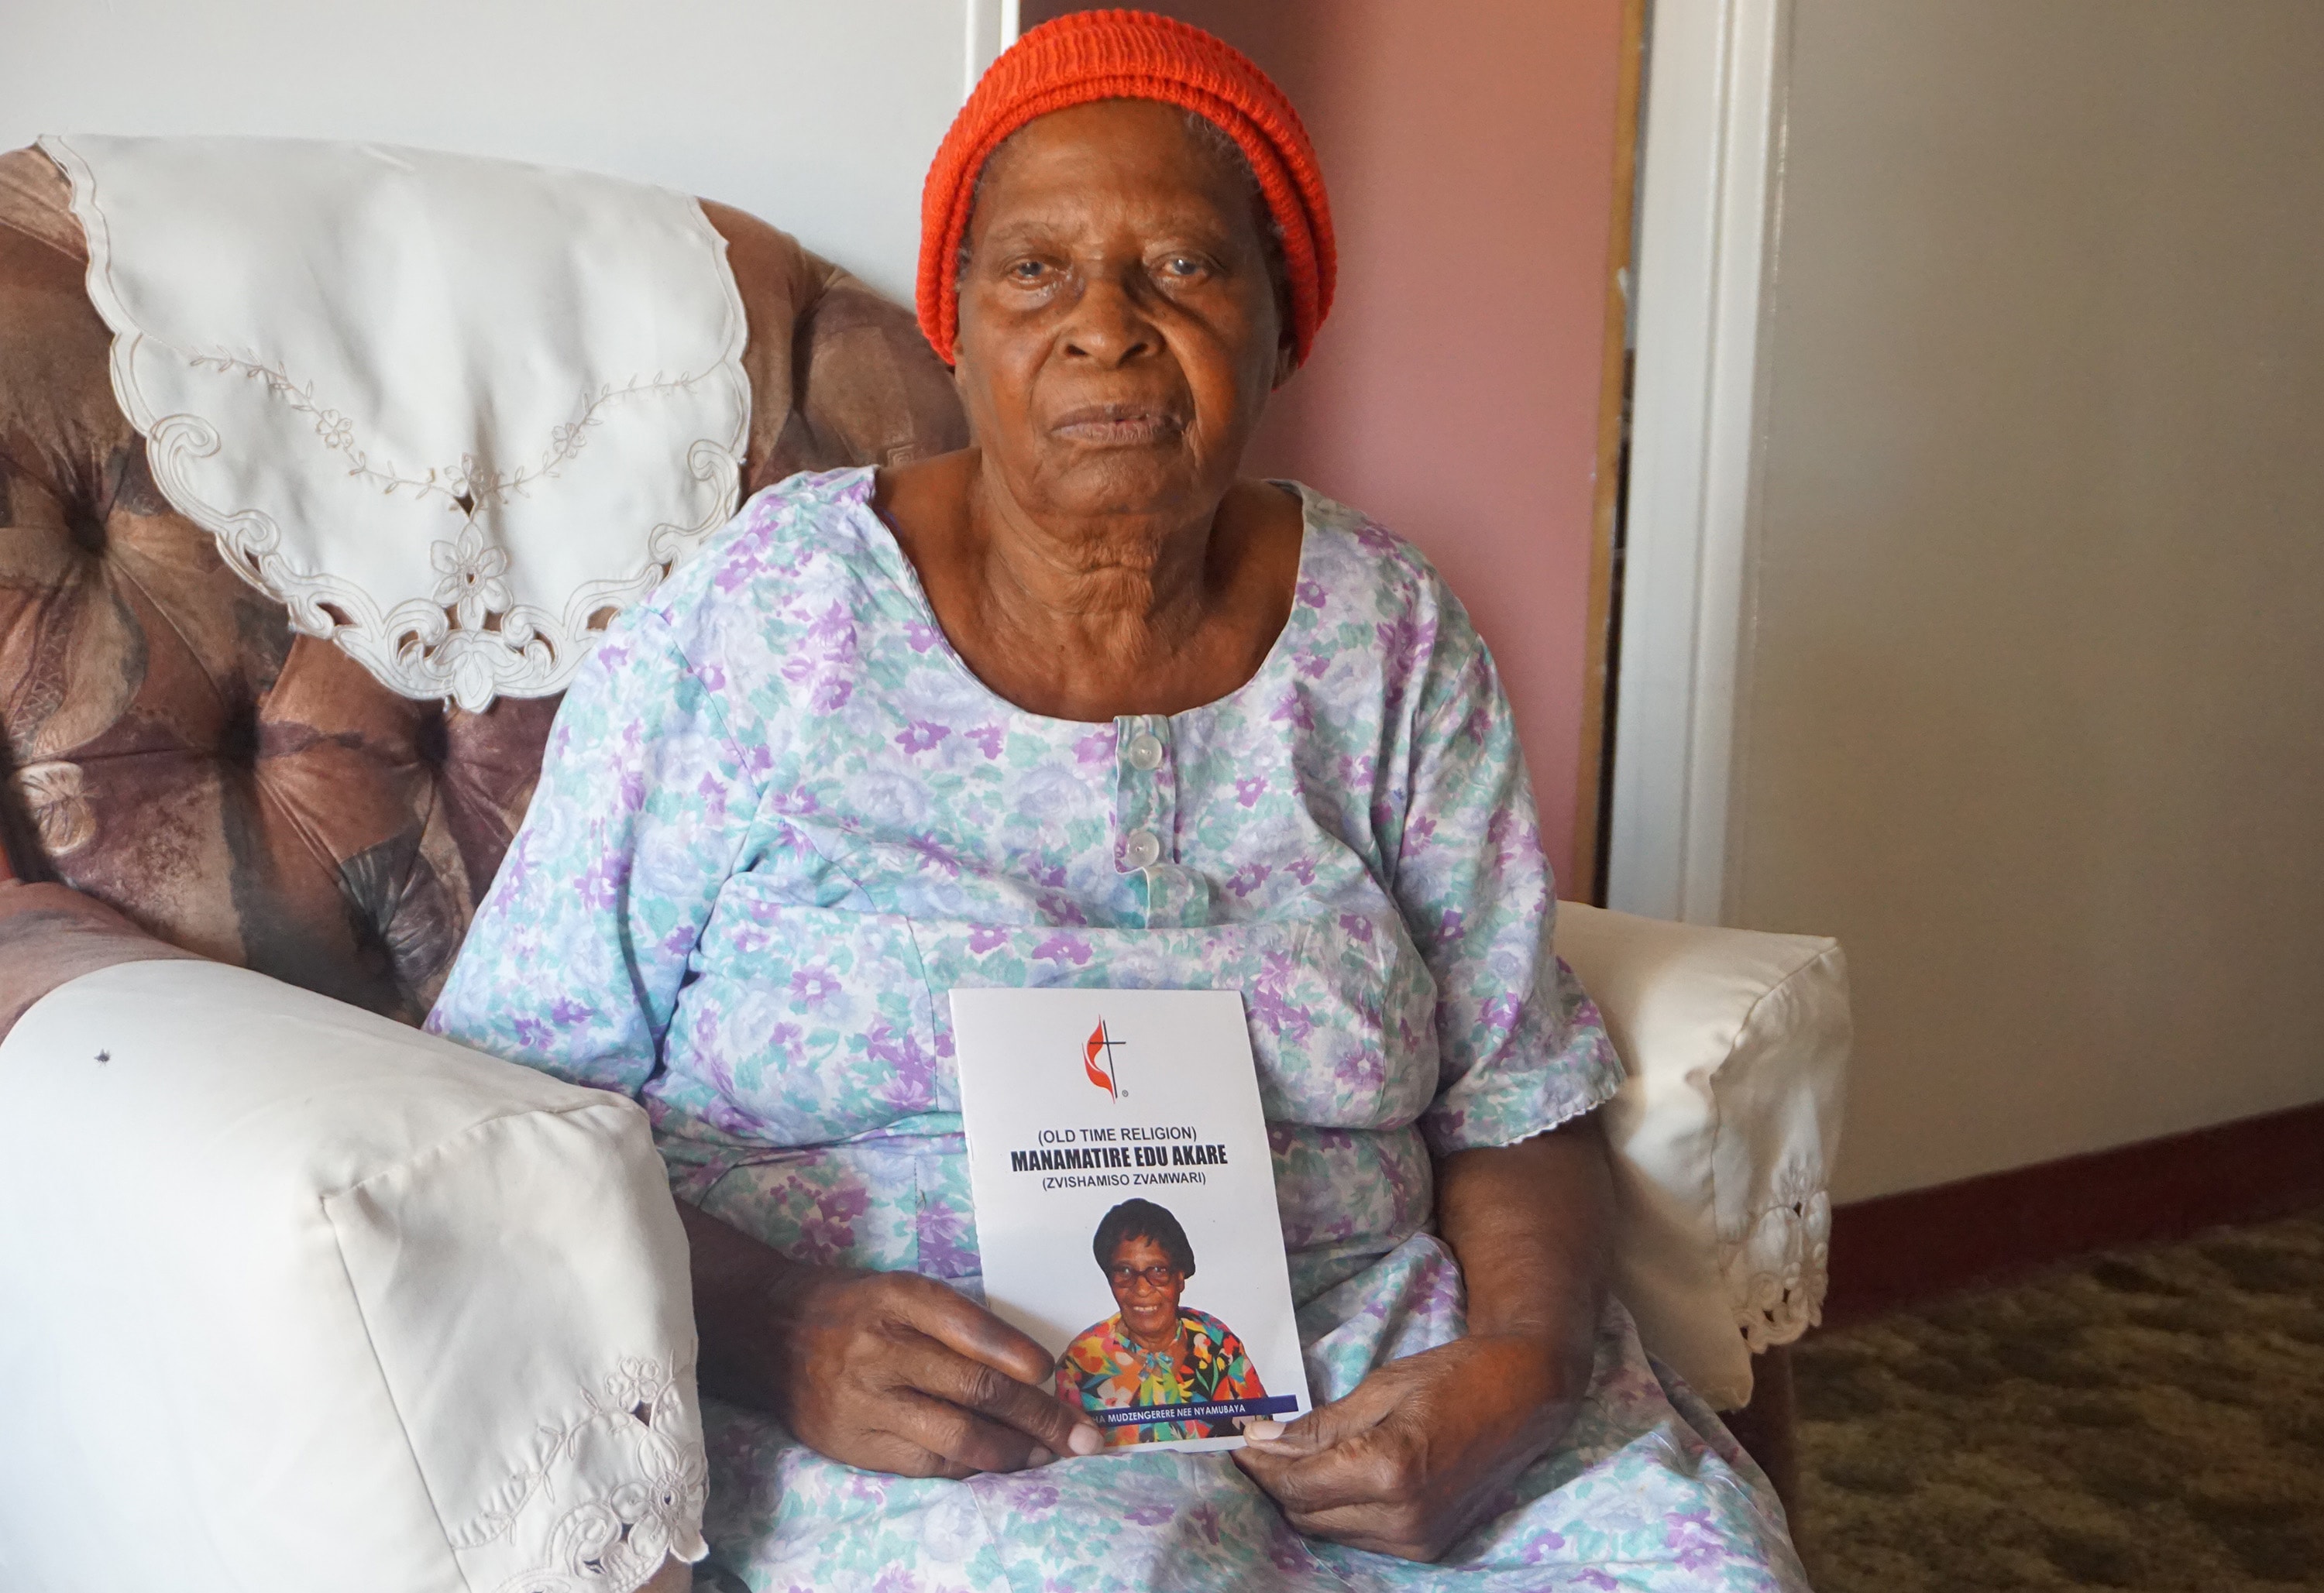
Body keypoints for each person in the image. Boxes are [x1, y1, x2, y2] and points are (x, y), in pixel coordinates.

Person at [432, 11, 1807, 1588]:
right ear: (957, 324)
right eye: (1037, 270)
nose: (1108, 328)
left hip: (1361, 1342)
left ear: (1283, 325)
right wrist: (764, 1322)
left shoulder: (1386, 629)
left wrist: (1521, 1368)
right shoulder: (772, 611)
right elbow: (507, 1095)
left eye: (1184, 267)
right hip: (928, 1389)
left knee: (1701, 1563)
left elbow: (1514, 1088)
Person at [1057, 1198, 1267, 1444]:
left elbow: (1262, 1431)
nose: (1142, 1289)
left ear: (1180, 1278)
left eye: (1158, 1271)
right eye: (1125, 1271)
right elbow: (1071, 1454)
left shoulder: (1217, 1342)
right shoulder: (1081, 1360)